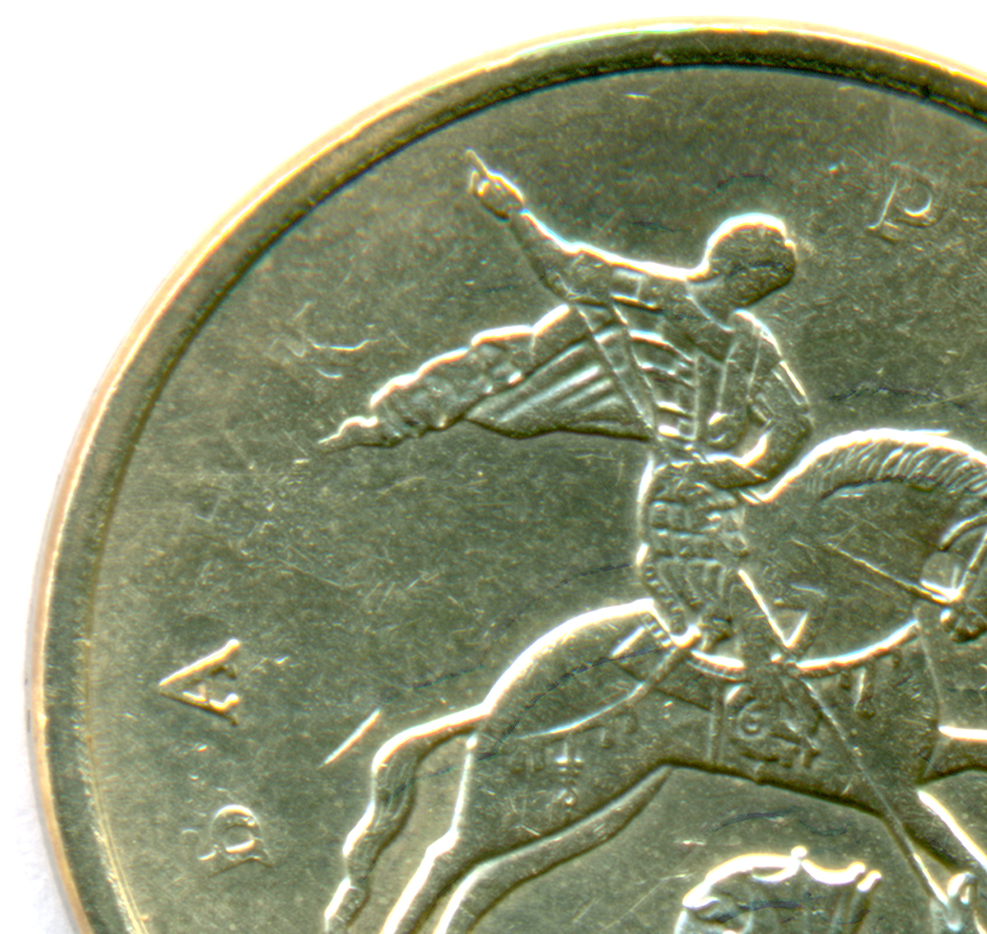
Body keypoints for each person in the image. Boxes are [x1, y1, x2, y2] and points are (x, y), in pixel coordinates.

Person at [325, 152, 813, 653]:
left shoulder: (750, 345)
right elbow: (566, 270)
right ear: (733, 267)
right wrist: (515, 215)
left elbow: (794, 420)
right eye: (763, 278)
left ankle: (715, 648)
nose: (763, 290)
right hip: (650, 451)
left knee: (696, 560)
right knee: (505, 368)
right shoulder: (654, 297)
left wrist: (739, 472)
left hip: (693, 477)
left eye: (771, 283)